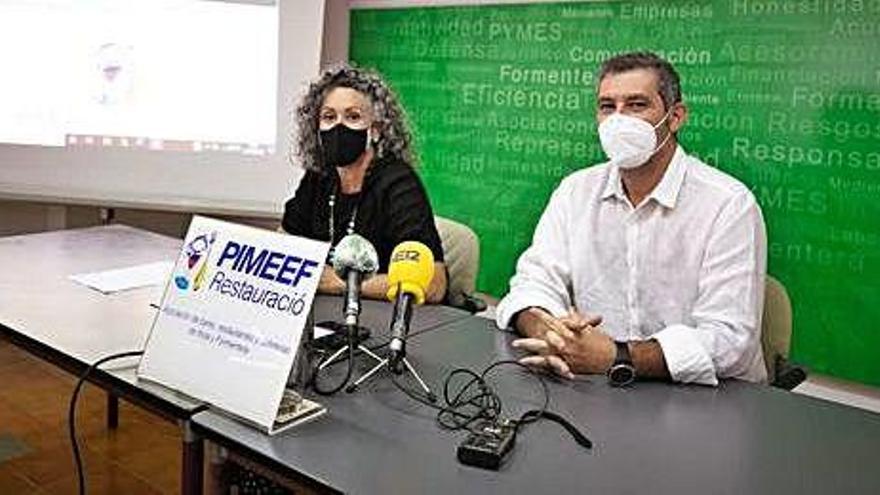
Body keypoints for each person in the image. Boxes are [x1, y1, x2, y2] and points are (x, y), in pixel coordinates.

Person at [496, 52, 767, 386]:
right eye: (607, 107)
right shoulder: (575, 190)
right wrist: (549, 331)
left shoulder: (728, 205)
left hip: (702, 399)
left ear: (675, 116)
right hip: (593, 390)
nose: (619, 120)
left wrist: (616, 356)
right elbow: (533, 281)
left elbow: (730, 340)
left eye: (637, 105)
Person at [282, 65, 447, 303]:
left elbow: (433, 284)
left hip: (383, 319)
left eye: (353, 117)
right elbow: (283, 246)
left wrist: (338, 283)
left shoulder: (398, 183)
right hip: (322, 313)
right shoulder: (319, 176)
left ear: (376, 130)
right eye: (329, 117)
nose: (339, 126)